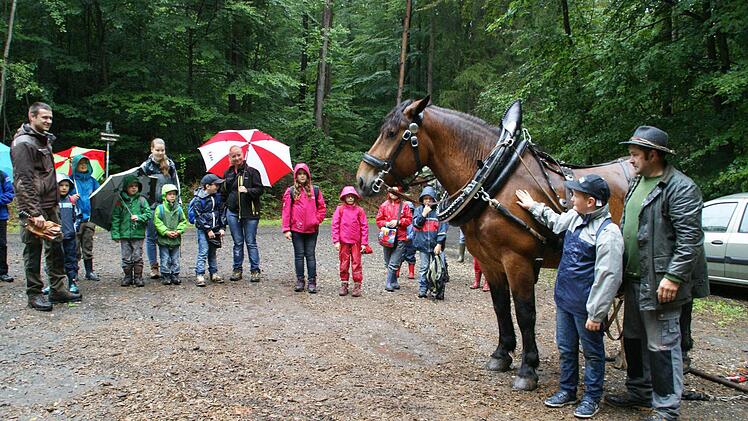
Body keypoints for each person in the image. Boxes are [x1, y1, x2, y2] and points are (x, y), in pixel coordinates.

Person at [604, 126, 706, 421]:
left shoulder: (681, 188)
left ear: (653, 155)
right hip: (635, 279)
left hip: (660, 282)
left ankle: (666, 408)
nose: (630, 159)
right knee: (633, 339)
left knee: (662, 345)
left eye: (635, 154)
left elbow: (690, 240)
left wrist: (673, 277)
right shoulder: (637, 183)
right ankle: (639, 391)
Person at [516, 174, 623, 419]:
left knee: (593, 353)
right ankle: (567, 390)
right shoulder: (576, 217)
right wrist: (534, 207)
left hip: (587, 307)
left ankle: (592, 398)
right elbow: (555, 222)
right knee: (566, 347)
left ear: (592, 201)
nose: (572, 197)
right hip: (565, 299)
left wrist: (597, 314)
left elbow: (609, 276)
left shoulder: (609, 233)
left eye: (577, 195)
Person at [11, 102, 81, 310]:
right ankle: (34, 294)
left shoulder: (43, 140)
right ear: (32, 117)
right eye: (44, 117)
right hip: (34, 207)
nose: (49, 121)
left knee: (56, 246)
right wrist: (33, 212)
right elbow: (23, 180)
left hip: (51, 203)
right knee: (33, 249)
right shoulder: (23, 143)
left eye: (50, 117)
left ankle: (58, 289)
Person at [282, 163, 326, 293]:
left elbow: (322, 208)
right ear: (296, 176)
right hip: (296, 229)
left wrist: (316, 220)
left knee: (310, 255)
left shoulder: (315, 190)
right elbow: (286, 211)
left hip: (312, 230)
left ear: (308, 175)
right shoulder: (290, 191)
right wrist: (286, 228)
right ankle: (300, 280)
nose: (302, 176)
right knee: (299, 256)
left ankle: (312, 281)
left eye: (304, 174)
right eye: (299, 174)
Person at [139, 138, 180, 279]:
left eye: (162, 150)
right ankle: (154, 266)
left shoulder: (170, 164)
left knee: (168, 234)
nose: (160, 152)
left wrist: (177, 201)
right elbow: (139, 186)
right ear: (151, 150)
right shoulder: (146, 166)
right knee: (151, 237)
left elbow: (176, 183)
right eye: (157, 150)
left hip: (167, 207)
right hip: (150, 206)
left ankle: (168, 265)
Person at [221, 145, 263, 282]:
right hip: (232, 212)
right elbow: (223, 193)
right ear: (230, 158)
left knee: (250, 242)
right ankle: (237, 269)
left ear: (243, 154)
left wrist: (248, 190)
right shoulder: (227, 173)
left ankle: (255, 270)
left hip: (250, 213)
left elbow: (260, 190)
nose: (237, 158)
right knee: (237, 242)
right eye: (233, 156)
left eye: (238, 155)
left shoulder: (252, 172)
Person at [111, 175, 152, 287]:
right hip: (124, 234)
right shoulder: (121, 202)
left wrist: (139, 217)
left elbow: (148, 214)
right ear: (126, 188)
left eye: (135, 186)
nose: (134, 188)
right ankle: (127, 276)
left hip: (138, 233)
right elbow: (116, 218)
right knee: (126, 256)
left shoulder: (142, 200)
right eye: (131, 186)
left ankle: (138, 277)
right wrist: (115, 234)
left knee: (137, 255)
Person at [189, 174, 226, 287]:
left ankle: (213, 273)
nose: (217, 187)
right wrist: (207, 229)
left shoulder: (216, 197)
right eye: (215, 185)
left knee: (213, 252)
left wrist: (222, 227)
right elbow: (198, 216)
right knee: (203, 251)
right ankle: (199, 274)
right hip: (203, 230)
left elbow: (220, 213)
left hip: (215, 229)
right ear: (207, 186)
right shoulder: (198, 199)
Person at [412, 186, 449, 299]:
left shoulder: (439, 212)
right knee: (424, 267)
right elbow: (416, 225)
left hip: (436, 246)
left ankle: (438, 291)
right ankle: (423, 289)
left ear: (434, 199)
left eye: (430, 198)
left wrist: (439, 244)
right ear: (422, 200)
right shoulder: (418, 210)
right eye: (425, 198)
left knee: (439, 269)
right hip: (423, 246)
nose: (427, 201)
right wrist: (423, 214)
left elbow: (443, 229)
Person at [331, 186, 368, 297]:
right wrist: (336, 241)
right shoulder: (340, 209)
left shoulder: (359, 210)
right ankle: (344, 283)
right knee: (344, 263)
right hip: (343, 242)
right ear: (344, 198)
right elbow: (335, 225)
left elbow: (364, 226)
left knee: (356, 263)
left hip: (356, 242)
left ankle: (357, 285)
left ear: (355, 198)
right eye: (348, 196)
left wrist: (364, 243)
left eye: (352, 196)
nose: (350, 198)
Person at [375, 186, 412, 292]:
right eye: (391, 191)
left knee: (394, 261)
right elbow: (378, 221)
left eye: (396, 191)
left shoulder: (404, 206)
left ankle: (388, 283)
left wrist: (398, 222)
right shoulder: (384, 205)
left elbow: (409, 220)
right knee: (387, 261)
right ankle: (394, 281)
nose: (393, 193)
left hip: (400, 237)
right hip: (387, 237)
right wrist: (386, 223)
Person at [71, 155, 100, 281]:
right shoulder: (71, 181)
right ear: (75, 166)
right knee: (75, 246)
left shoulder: (92, 181)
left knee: (88, 245)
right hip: (75, 219)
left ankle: (89, 271)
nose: (83, 166)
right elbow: (62, 195)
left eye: (85, 163)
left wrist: (94, 195)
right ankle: (74, 271)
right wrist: (72, 198)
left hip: (89, 219)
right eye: (80, 163)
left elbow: (99, 195)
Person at [153, 184, 186, 285]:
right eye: (170, 194)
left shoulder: (179, 209)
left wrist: (179, 231)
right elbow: (157, 222)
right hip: (164, 239)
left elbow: (183, 221)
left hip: (175, 239)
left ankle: (175, 274)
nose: (172, 196)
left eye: (174, 194)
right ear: (164, 196)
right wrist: (166, 231)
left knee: (175, 258)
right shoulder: (160, 208)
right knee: (165, 258)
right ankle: (166, 274)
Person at [57, 174, 81, 294]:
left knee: (71, 260)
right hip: (55, 237)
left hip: (69, 236)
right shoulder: (52, 202)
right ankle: (55, 284)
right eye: (61, 185)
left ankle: (72, 282)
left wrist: (73, 229)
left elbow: (77, 217)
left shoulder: (71, 202)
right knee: (54, 260)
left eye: (66, 185)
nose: (64, 188)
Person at [0, 169, 14, 283]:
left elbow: (10, 194)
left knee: (1, 244)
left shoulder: (2, 175)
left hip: (1, 216)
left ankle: (2, 272)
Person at [400, 199, 417, 280]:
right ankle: (396, 271)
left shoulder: (414, 220)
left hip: (411, 242)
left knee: (411, 256)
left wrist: (409, 237)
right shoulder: (400, 219)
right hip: (401, 240)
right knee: (399, 256)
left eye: (411, 210)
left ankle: (411, 272)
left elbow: (415, 231)